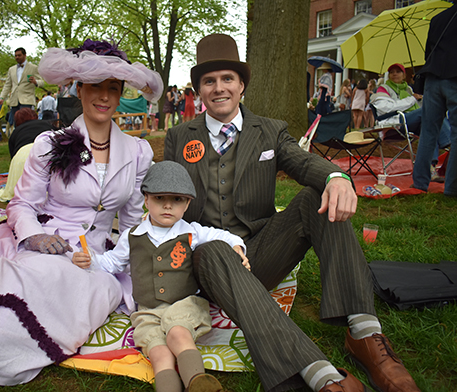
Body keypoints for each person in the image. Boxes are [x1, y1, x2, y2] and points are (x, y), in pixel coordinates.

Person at [0, 39, 163, 391]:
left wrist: (126, 262)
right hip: (45, 242)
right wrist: (32, 237)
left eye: (112, 88)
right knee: (14, 284)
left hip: (96, 259)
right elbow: (22, 205)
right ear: (79, 90)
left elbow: (132, 220)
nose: (103, 96)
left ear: (120, 94)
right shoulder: (49, 145)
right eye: (95, 86)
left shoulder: (138, 152)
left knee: (69, 293)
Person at [164, 34, 421, 392]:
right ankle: (314, 371)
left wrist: (335, 177)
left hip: (260, 252)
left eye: (227, 79)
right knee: (211, 250)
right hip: (207, 260)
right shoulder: (179, 136)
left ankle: (364, 332)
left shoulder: (269, 130)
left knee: (316, 196)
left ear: (241, 86)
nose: (219, 88)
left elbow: (300, 161)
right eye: (209, 81)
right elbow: (165, 195)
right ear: (199, 90)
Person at [73, 161, 248, 392]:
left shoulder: (191, 231)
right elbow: (113, 262)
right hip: (147, 310)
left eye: (176, 200)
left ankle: (198, 382)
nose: (167, 206)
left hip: (184, 303)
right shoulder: (132, 235)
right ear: (146, 200)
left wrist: (237, 247)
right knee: (158, 351)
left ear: (187, 204)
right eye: (159, 199)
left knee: (177, 333)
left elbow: (222, 235)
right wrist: (91, 260)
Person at [371, 63, 451, 170]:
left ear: (404, 75)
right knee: (428, 112)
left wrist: (421, 88)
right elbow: (387, 108)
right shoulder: (383, 89)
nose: (395, 74)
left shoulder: (409, 89)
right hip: (392, 123)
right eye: (392, 72)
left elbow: (419, 107)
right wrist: (412, 98)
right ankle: (449, 141)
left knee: (429, 125)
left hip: (410, 122)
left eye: (398, 72)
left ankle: (430, 168)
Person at [412, 4, 457, 196]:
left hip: (432, 78)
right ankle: (452, 189)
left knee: (428, 132)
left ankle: (420, 183)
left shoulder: (437, 18)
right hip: (454, 78)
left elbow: (428, 51)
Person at [0, 47, 45, 130]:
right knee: (15, 121)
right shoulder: (11, 69)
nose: (17, 57)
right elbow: (7, 85)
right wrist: (2, 97)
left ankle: (26, 137)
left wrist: (35, 82)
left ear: (25, 55)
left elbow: (42, 82)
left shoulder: (33, 67)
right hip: (14, 100)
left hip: (27, 99)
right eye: (16, 56)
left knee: (26, 121)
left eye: (19, 55)